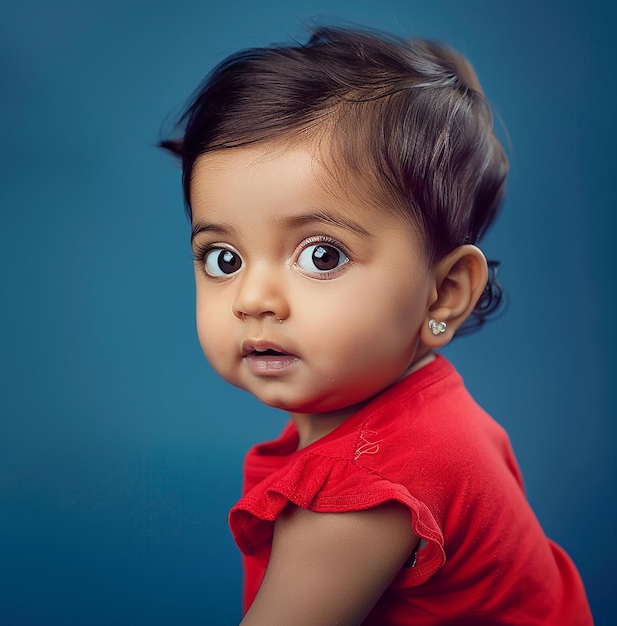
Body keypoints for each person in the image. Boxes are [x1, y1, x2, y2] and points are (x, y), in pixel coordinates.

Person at [161, 25, 593, 625]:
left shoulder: (364, 490)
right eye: (223, 259)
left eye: (322, 255)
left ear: (443, 293)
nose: (253, 297)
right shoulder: (426, 416)